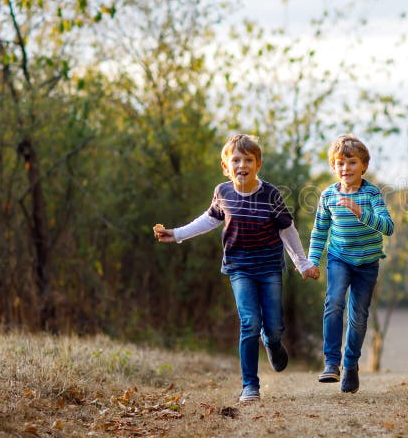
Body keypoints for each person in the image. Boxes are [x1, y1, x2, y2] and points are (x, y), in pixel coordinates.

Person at [153, 134, 319, 403]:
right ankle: (250, 385)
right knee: (249, 321)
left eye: (249, 160)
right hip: (239, 267)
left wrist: (302, 263)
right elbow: (208, 220)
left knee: (274, 326)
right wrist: (176, 234)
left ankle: (273, 342)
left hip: (269, 268)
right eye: (236, 160)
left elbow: (287, 230)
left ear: (258, 164)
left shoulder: (270, 195)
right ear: (225, 166)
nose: (242, 165)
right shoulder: (223, 192)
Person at [308, 134, 394, 393]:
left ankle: (351, 364)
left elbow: (388, 227)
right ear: (334, 168)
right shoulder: (329, 196)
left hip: (367, 263)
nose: (346, 169)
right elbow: (320, 230)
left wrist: (361, 212)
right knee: (334, 302)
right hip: (339, 258)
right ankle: (331, 363)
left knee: (358, 316)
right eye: (340, 164)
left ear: (363, 166)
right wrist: (312, 260)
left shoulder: (371, 193)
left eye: (352, 163)